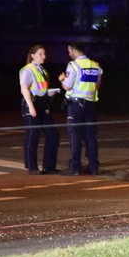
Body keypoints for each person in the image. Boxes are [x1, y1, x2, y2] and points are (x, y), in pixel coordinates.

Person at [59, 42, 102, 176]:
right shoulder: (95, 65)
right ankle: (93, 166)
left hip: (76, 104)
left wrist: (61, 79)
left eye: (69, 51)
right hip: (91, 104)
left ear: (74, 50)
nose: (69, 54)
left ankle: (75, 167)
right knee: (90, 136)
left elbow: (67, 86)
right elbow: (97, 85)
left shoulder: (73, 65)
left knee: (75, 135)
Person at [19, 44, 60, 174]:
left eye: (44, 54)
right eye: (40, 54)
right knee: (33, 135)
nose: (44, 56)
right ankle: (32, 167)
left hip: (42, 104)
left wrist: (48, 95)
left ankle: (49, 167)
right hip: (32, 104)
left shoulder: (42, 70)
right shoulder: (28, 70)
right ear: (32, 55)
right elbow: (24, 87)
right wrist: (31, 106)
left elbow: (41, 89)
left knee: (53, 135)